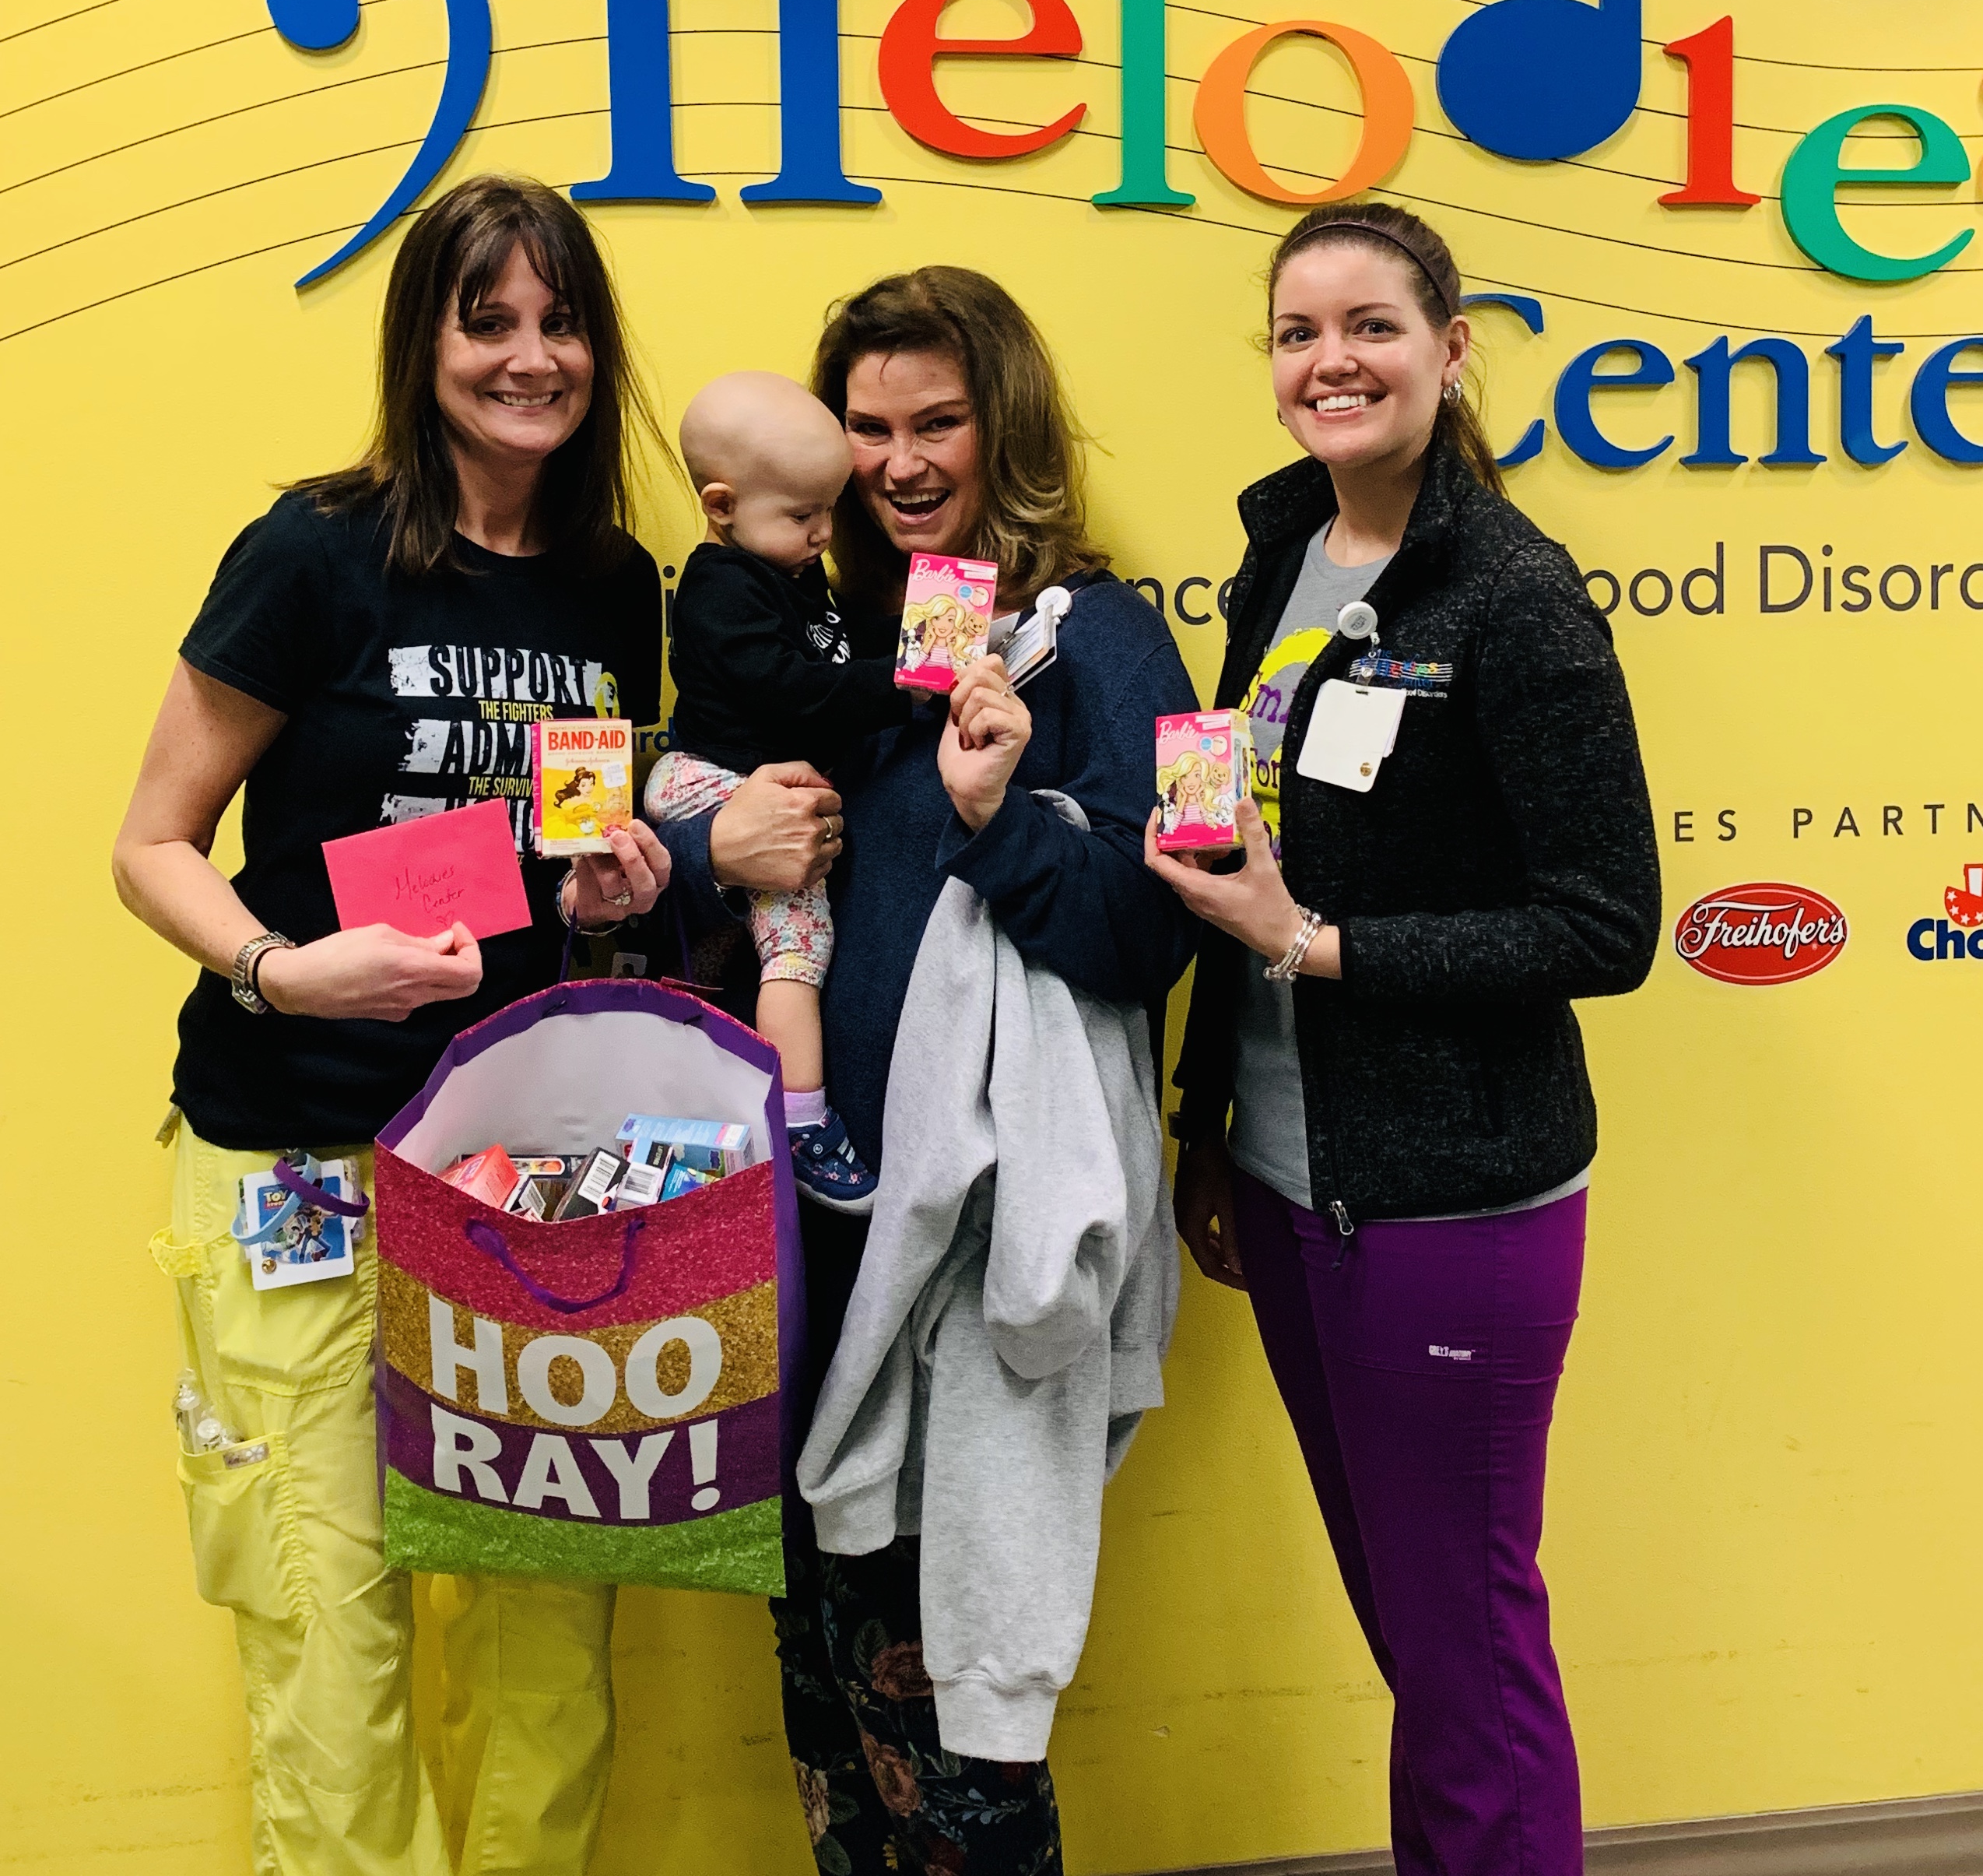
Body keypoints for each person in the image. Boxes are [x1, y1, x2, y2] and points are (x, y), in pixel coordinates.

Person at [111, 175, 837, 1876]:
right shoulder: (310, 551)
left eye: (560, 320)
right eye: (487, 318)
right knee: (328, 1637)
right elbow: (152, 842)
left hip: (529, 1170)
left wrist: (606, 896)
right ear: (422, 337)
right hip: (295, 1156)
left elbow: (547, 861)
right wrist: (284, 967)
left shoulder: (611, 583)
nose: (530, 356)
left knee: (545, 1655)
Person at [651, 265, 1195, 1876]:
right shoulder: (795, 626)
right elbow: (683, 826)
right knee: (824, 1705)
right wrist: (697, 842)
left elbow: (1148, 937)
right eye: (865, 426)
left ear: (1000, 423)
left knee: (952, 1743)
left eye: (934, 422)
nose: (896, 460)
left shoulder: (1090, 637)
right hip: (791, 1243)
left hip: (956, 1265)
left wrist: (992, 819)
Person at [1146, 199, 1662, 1876]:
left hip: (1450, 1205)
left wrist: (1316, 942)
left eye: (1369, 325)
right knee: (1413, 1637)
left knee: (1465, 1660)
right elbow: (1241, 852)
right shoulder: (1288, 552)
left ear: (1449, 348)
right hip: (1297, 1184)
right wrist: (1208, 1118)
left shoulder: (1514, 599)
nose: (1329, 361)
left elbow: (1602, 925)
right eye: (1296, 333)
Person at [644, 369, 914, 1210]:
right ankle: (800, 1120)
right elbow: (796, 690)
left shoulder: (792, 573)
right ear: (722, 506)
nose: (825, 535)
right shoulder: (723, 587)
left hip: (741, 781)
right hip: (706, 782)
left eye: (830, 511)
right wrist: (904, 680)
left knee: (756, 950)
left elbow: (840, 647)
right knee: (801, 941)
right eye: (803, 517)